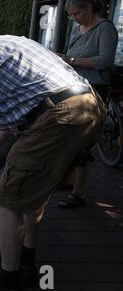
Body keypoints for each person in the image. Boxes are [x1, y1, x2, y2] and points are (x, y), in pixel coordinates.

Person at [0, 25, 106, 291]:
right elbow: (10, 123)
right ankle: (28, 267)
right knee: (33, 197)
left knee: (6, 199)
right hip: (88, 108)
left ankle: (8, 286)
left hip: (57, 117)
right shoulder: (8, 42)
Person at [57, 0, 118, 209]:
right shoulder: (78, 28)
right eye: (71, 15)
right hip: (74, 88)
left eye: (76, 14)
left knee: (81, 142)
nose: (74, 18)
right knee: (68, 138)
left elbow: (105, 60)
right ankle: (68, 181)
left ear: (89, 8)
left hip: (93, 91)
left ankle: (78, 192)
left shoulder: (105, 29)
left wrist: (70, 60)